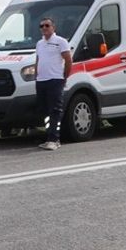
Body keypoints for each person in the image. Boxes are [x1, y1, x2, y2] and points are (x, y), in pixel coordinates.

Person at [35, 17, 72, 150]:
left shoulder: (60, 41)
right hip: (41, 80)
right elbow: (38, 60)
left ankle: (55, 139)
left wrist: (64, 77)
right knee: (45, 110)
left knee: (55, 110)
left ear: (53, 27)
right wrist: (36, 76)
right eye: (42, 26)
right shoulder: (39, 43)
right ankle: (48, 136)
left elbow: (68, 60)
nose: (44, 28)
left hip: (55, 79)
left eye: (47, 25)